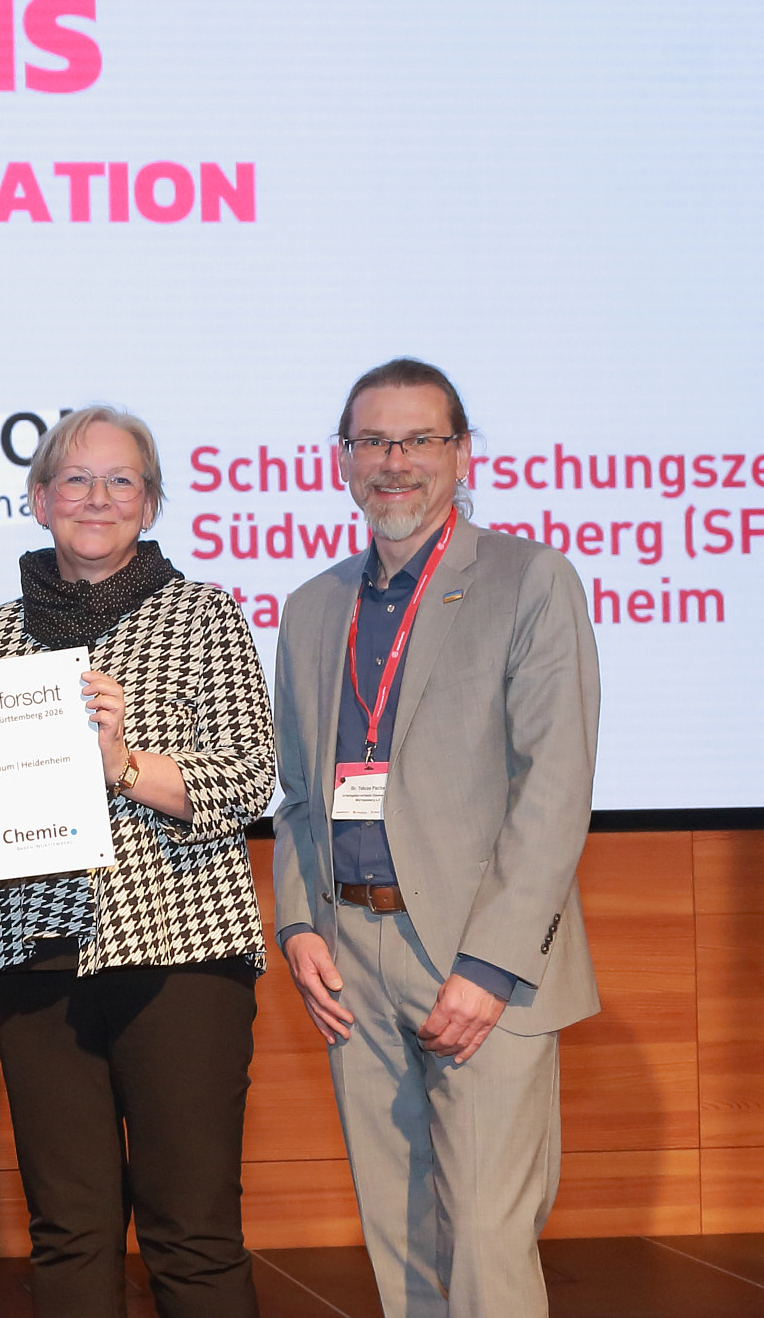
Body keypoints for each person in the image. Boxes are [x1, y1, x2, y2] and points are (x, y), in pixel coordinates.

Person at [0, 404, 273, 1317]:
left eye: (120, 480)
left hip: (180, 953)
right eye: (75, 479)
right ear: (39, 499)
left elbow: (250, 777)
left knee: (192, 1231)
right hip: (37, 957)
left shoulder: (205, 615)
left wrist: (124, 765)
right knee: (68, 1232)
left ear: (151, 502)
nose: (97, 497)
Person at [271, 359, 600, 1317]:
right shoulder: (312, 606)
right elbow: (300, 796)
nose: (395, 461)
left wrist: (491, 966)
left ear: (461, 453)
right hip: (349, 957)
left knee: (489, 1241)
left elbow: (554, 788)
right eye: (373, 441)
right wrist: (298, 925)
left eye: (419, 439)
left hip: (477, 958)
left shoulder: (529, 579)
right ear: (342, 459)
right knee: (400, 1236)